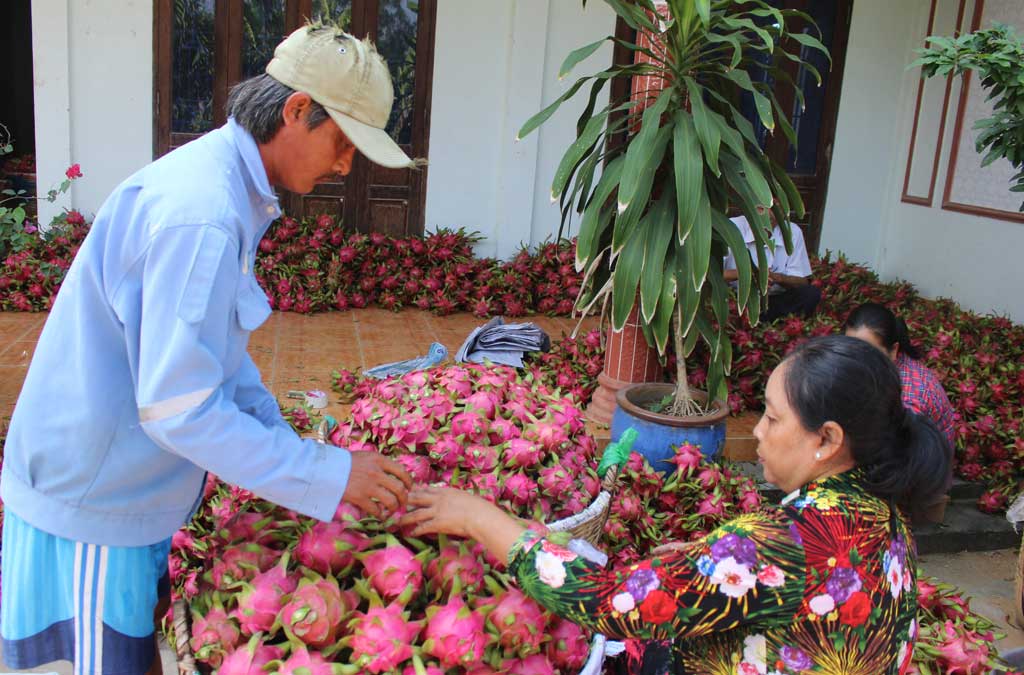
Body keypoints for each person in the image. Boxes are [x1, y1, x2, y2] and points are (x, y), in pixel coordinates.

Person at [0, 24, 414, 675]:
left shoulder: (228, 190)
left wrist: (295, 448)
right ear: (298, 110)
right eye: (343, 143)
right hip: (93, 502)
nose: (343, 165)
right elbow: (179, 407)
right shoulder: (204, 212)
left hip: (130, 493)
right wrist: (325, 475)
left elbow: (215, 356)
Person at [402, 336, 952, 675]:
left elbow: (608, 601)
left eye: (773, 417)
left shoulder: (782, 540)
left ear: (827, 440)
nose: (756, 432)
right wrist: (705, 557)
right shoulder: (885, 516)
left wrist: (480, 518)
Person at [844, 302, 956, 447]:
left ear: (894, 350)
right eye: (850, 348)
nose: (856, 359)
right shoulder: (880, 367)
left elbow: (899, 450)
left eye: (868, 352)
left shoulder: (909, 398)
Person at [724, 214, 821, 322]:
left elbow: (802, 281)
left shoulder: (793, 231)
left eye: (776, 207)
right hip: (736, 299)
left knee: (810, 294)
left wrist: (778, 278)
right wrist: (749, 274)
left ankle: (776, 327)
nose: (769, 213)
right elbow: (709, 274)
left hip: (774, 299)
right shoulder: (730, 226)